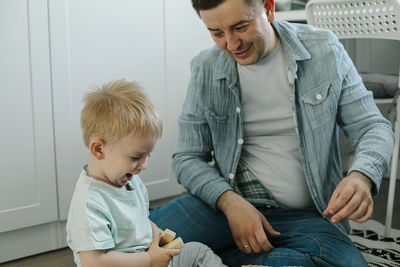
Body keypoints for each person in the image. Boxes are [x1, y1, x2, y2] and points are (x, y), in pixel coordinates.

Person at [149, 0, 396, 266]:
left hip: (308, 217)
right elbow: (187, 158)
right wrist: (230, 203)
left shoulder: (325, 49)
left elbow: (373, 126)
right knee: (135, 242)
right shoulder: (205, 68)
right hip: (224, 207)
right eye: (217, 33)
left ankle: (220, 257)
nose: (232, 45)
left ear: (268, 7)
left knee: (345, 263)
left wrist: (361, 176)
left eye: (240, 27)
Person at [66, 79, 227, 267]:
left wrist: (152, 230)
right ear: (99, 150)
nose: (144, 166)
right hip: (142, 262)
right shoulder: (90, 203)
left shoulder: (130, 180)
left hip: (147, 257)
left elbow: (136, 221)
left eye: (147, 156)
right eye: (136, 157)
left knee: (198, 252)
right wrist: (149, 259)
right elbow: (94, 262)